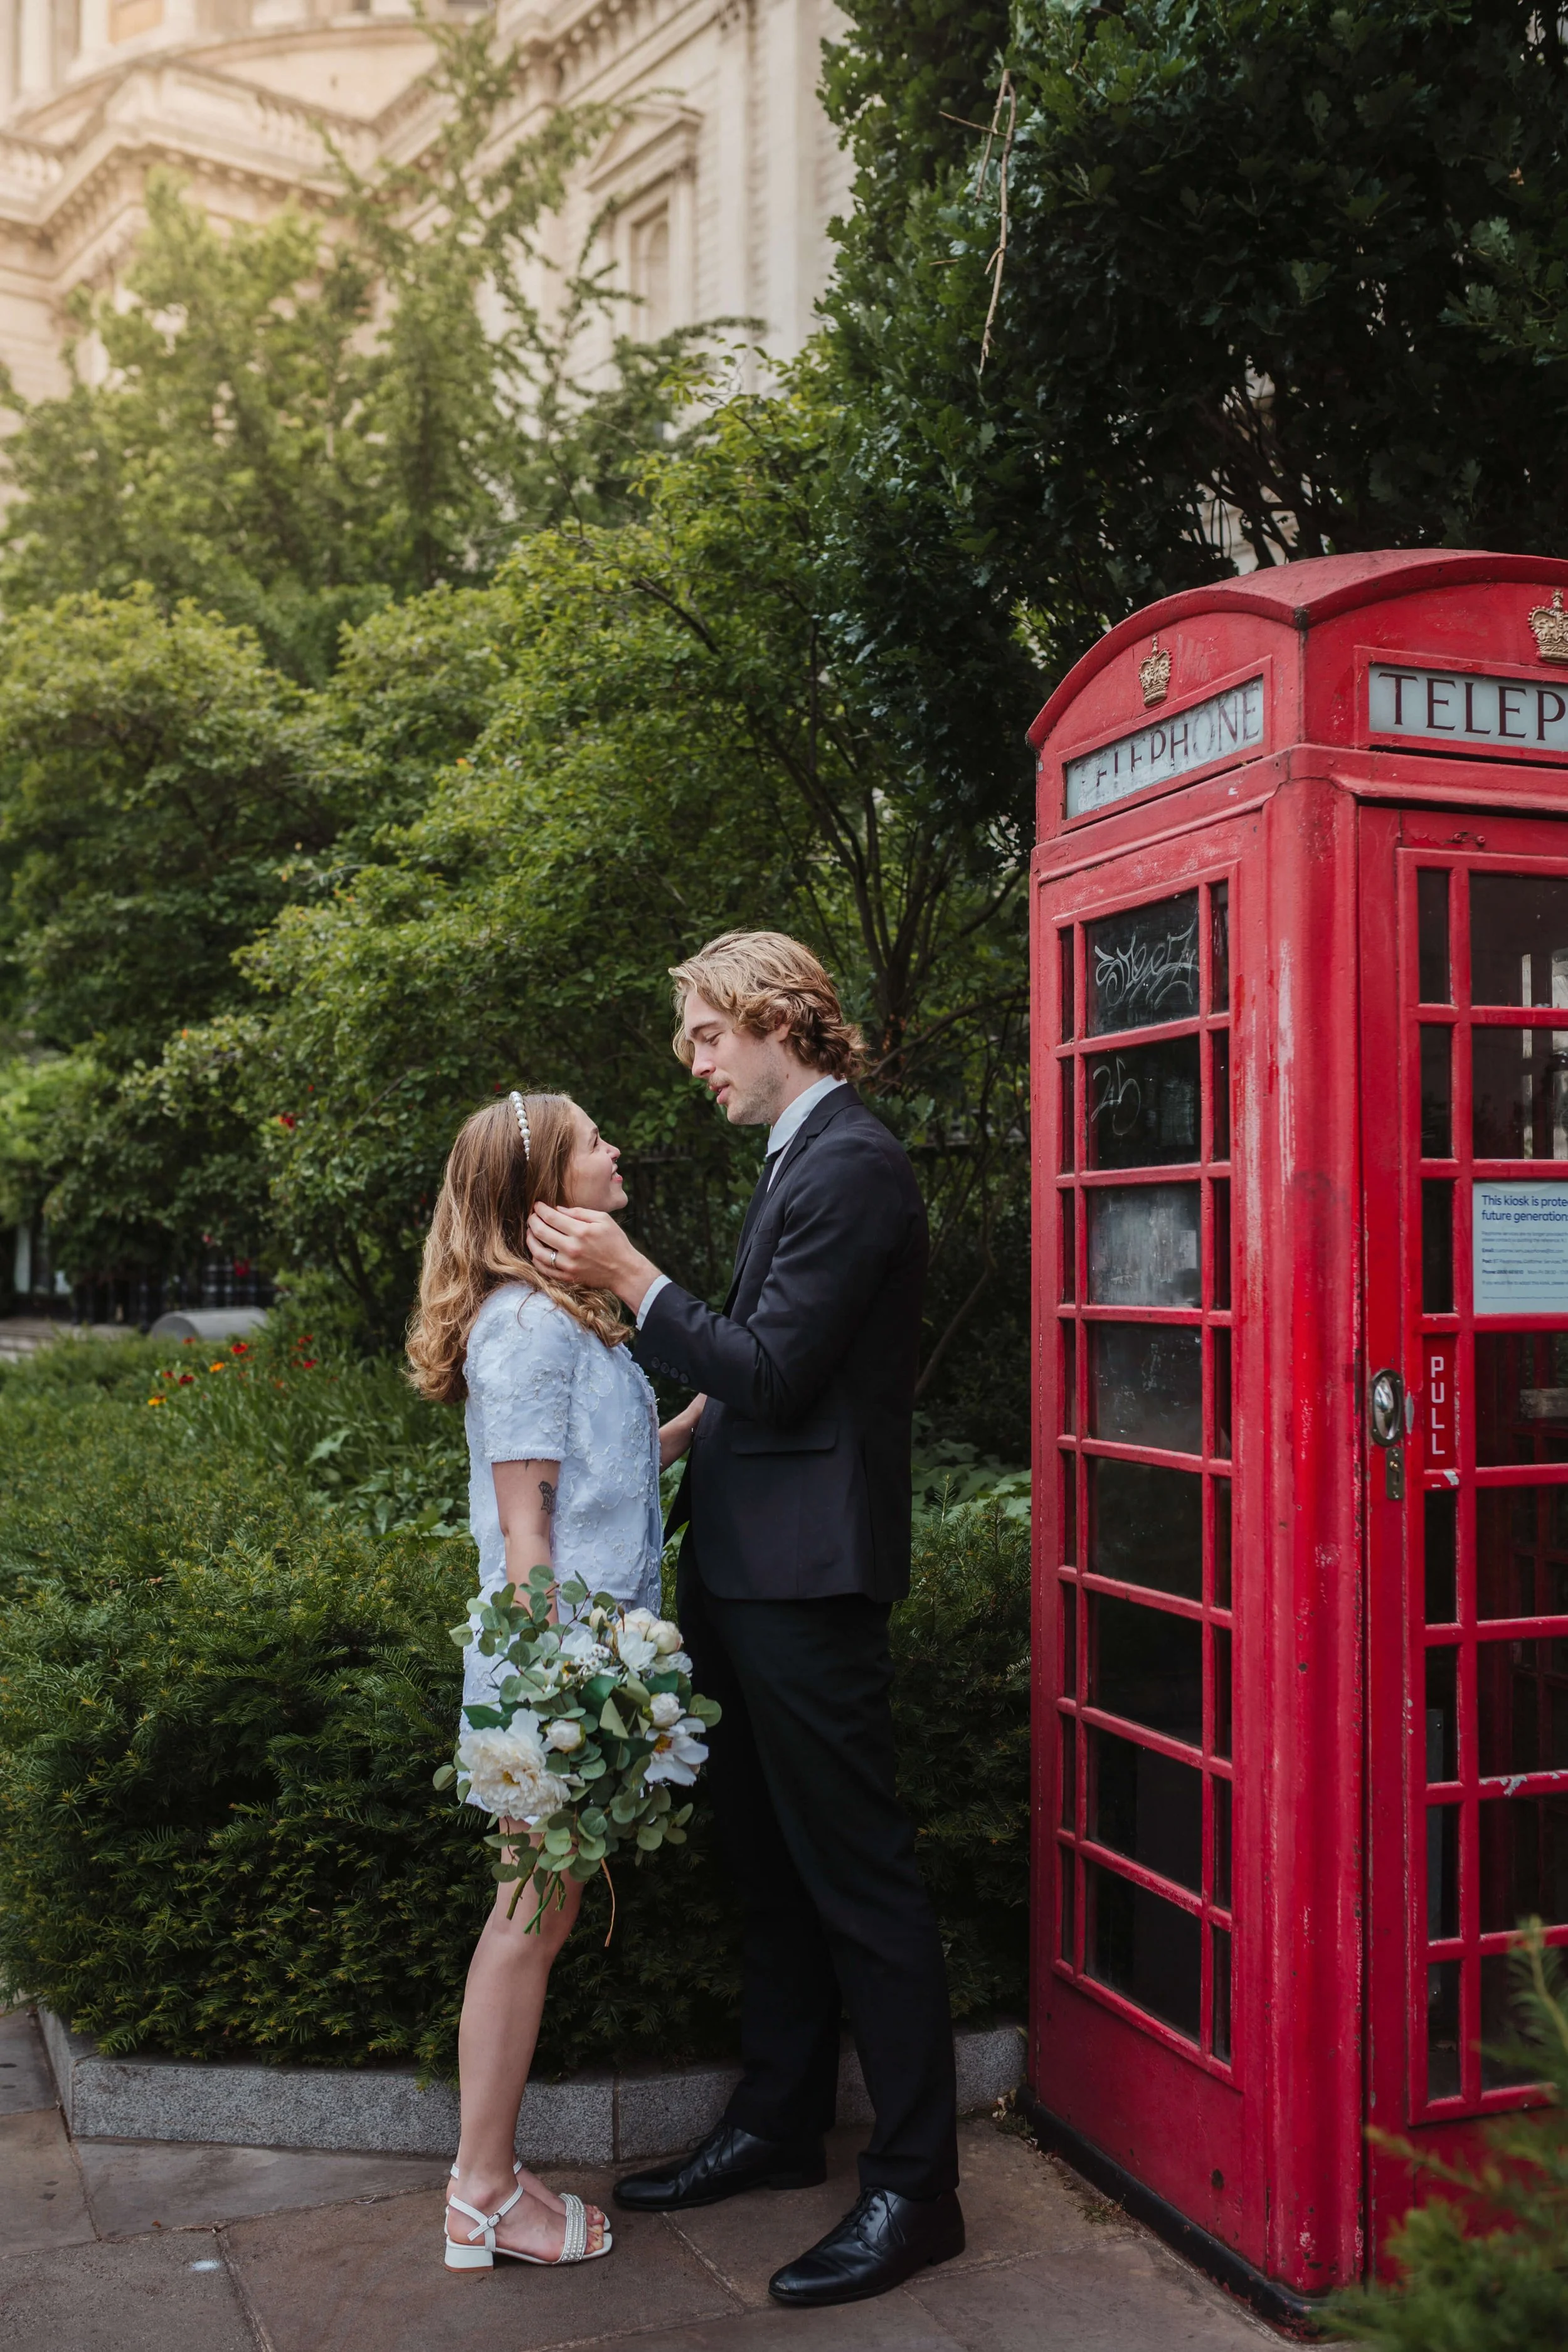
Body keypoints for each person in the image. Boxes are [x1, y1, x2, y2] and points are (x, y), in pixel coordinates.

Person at [527, 930, 962, 2311]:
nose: (693, 1066)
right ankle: (778, 2127)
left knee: (859, 1881)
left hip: (810, 1578)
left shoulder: (854, 1164)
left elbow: (774, 1369)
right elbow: (772, 1365)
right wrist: (663, 1439)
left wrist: (630, 1277)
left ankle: (914, 2188)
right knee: (764, 1866)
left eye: (706, 1039)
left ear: (778, 1019)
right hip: (741, 1563)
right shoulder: (796, 1160)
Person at [407, 1090, 705, 2274]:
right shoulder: (528, 1330)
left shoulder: (565, 1322)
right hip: (556, 1683)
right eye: (593, 1140)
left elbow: (606, 1479)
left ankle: (484, 2179)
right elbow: (528, 1537)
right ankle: (480, 2194)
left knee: (536, 1914)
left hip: (573, 1671)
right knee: (529, 1919)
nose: (615, 1149)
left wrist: (705, 1415)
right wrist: (570, 1703)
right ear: (540, 1194)